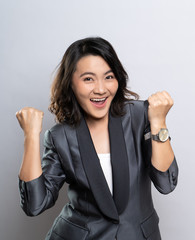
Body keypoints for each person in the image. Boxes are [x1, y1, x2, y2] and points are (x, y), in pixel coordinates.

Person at [16, 37, 179, 240]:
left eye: (109, 77)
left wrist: (159, 122)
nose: (101, 89)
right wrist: (31, 135)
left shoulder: (139, 116)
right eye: (88, 79)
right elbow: (35, 204)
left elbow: (166, 183)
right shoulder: (60, 137)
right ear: (71, 84)